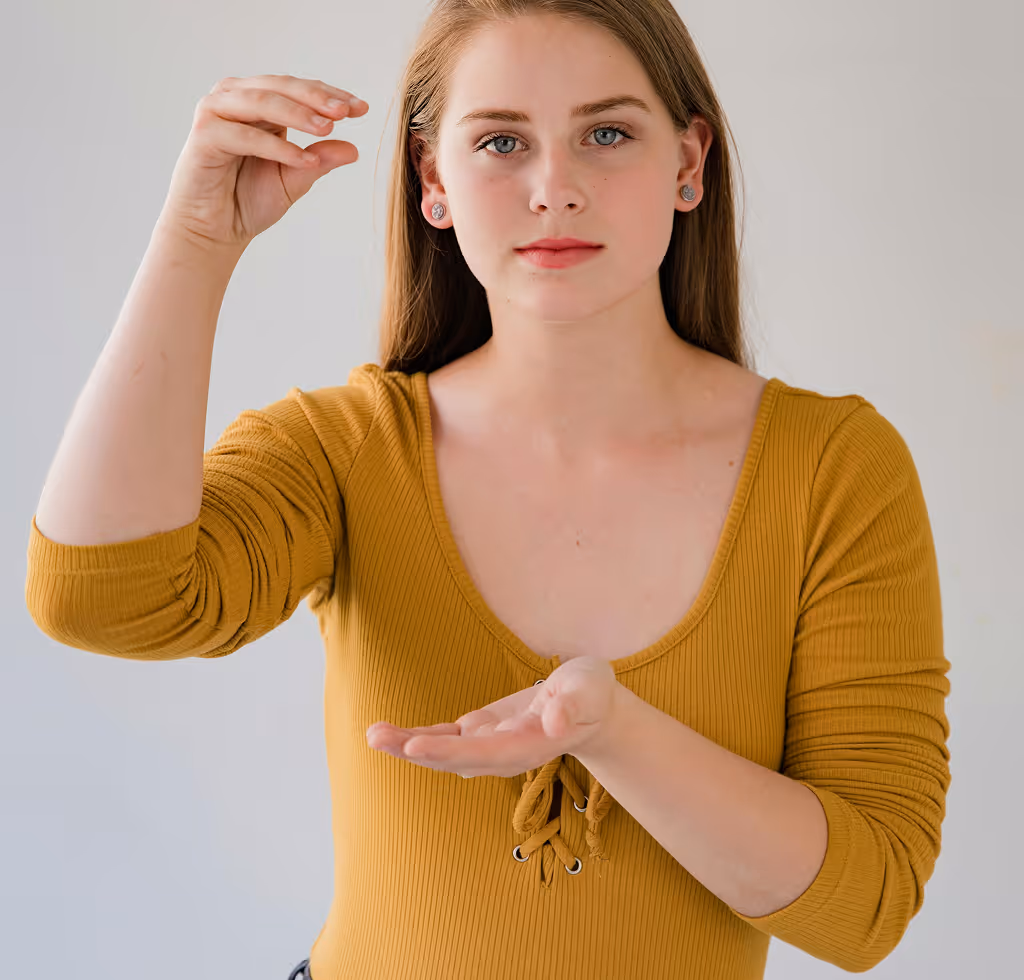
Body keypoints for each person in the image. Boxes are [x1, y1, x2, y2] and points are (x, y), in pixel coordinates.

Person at [24, 2, 951, 978]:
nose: (555, 188)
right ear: (434, 179)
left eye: (605, 133)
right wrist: (198, 237)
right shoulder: (344, 450)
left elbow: (868, 905)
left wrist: (612, 729)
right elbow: (99, 599)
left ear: (688, 164)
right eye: (502, 140)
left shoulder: (833, 466)